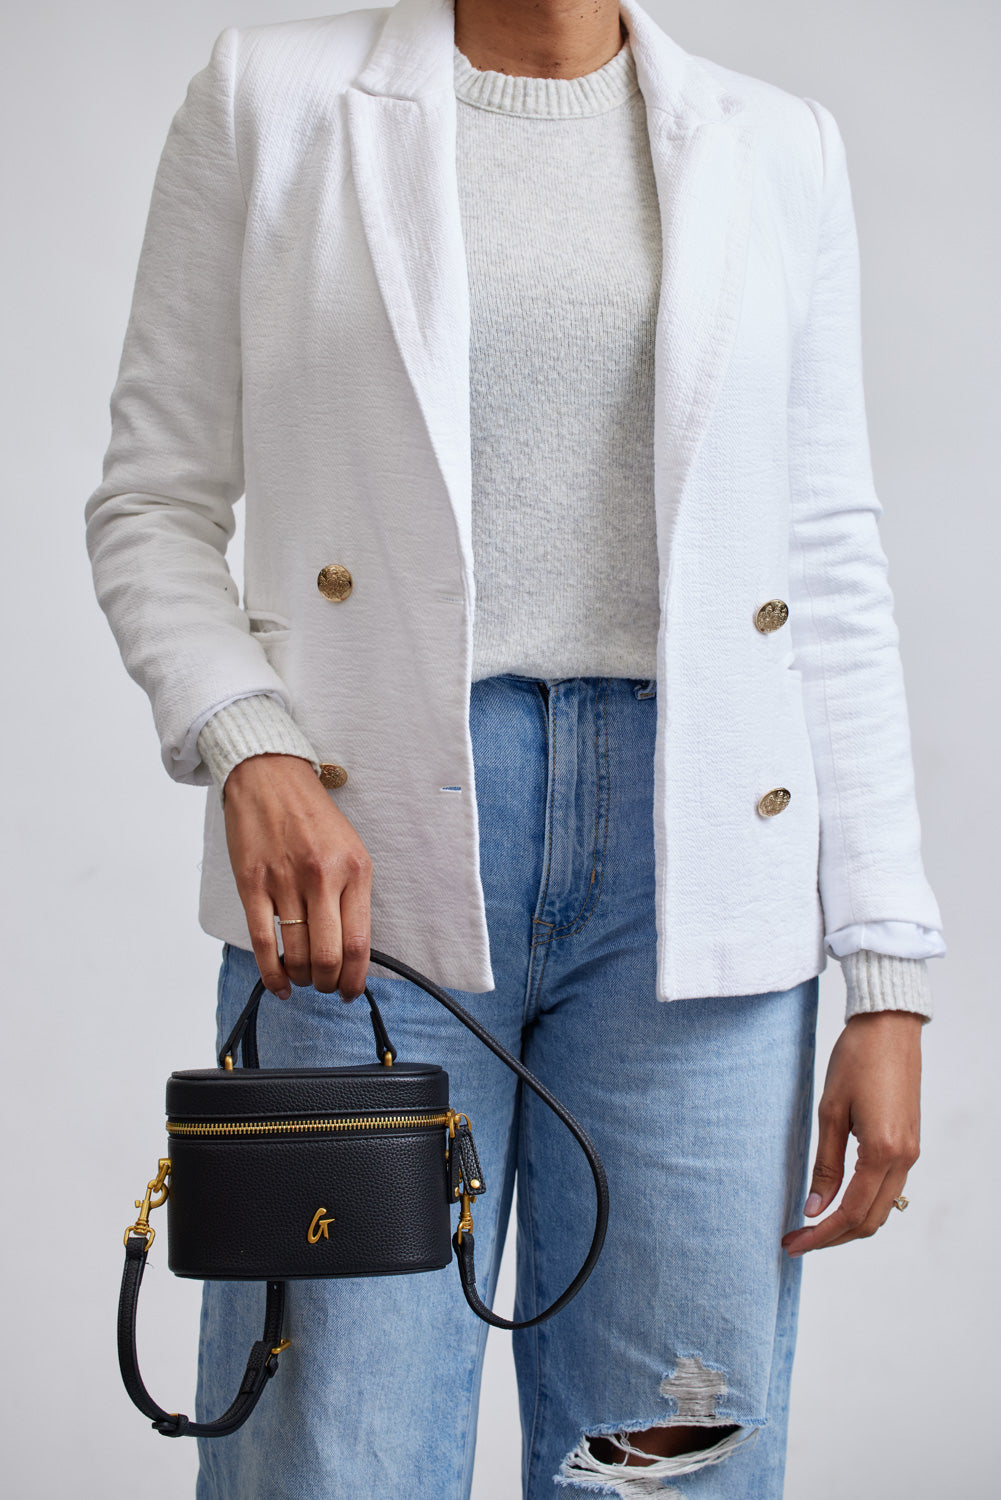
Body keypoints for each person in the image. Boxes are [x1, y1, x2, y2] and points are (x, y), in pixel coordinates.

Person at [84, 0, 946, 1494]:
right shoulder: (272, 99)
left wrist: (884, 969)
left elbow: (827, 566)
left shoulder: (775, 146)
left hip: (702, 884)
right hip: (363, 878)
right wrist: (251, 741)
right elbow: (150, 500)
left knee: (669, 1459)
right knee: (329, 1459)